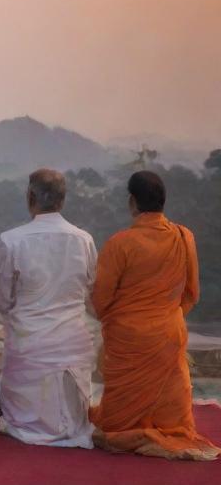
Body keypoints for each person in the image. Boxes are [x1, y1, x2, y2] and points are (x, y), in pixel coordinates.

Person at [89, 171, 219, 460]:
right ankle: (169, 427)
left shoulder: (120, 244)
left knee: (113, 427)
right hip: (168, 333)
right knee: (173, 417)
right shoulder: (185, 238)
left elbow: (100, 299)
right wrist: (165, 316)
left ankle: (129, 426)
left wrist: (125, 320)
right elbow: (191, 292)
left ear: (132, 202)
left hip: (128, 337)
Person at [0, 168, 98, 447]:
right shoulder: (84, 240)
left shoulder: (10, 240)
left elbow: (3, 300)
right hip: (72, 342)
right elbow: (91, 293)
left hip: (28, 344)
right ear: (63, 201)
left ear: (30, 197)